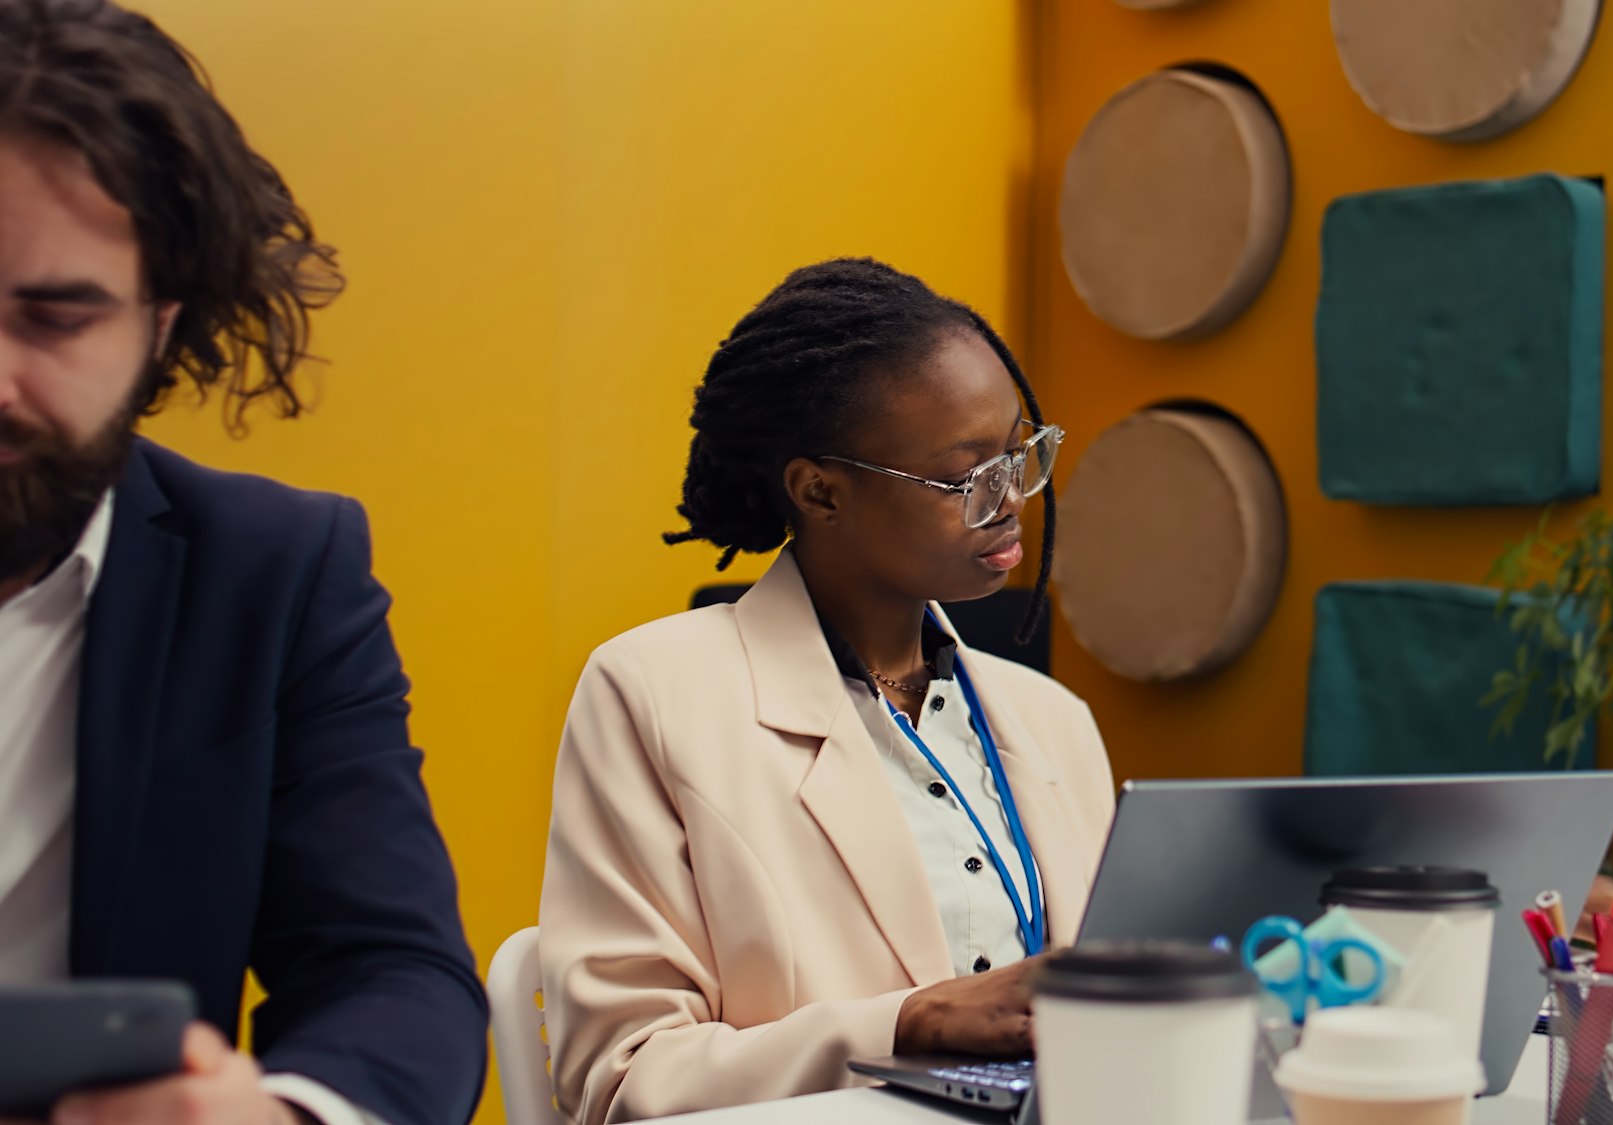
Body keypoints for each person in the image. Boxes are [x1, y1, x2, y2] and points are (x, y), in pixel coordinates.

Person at [0, 3, 486, 1124]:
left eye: (57, 318)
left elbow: (392, 974)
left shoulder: (273, 575)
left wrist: (280, 1115)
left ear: (160, 324)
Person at [539, 257, 1116, 1121]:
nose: (1012, 502)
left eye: (1019, 456)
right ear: (820, 492)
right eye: (967, 477)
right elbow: (619, 1078)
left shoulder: (1053, 721)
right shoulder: (652, 692)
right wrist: (909, 1022)